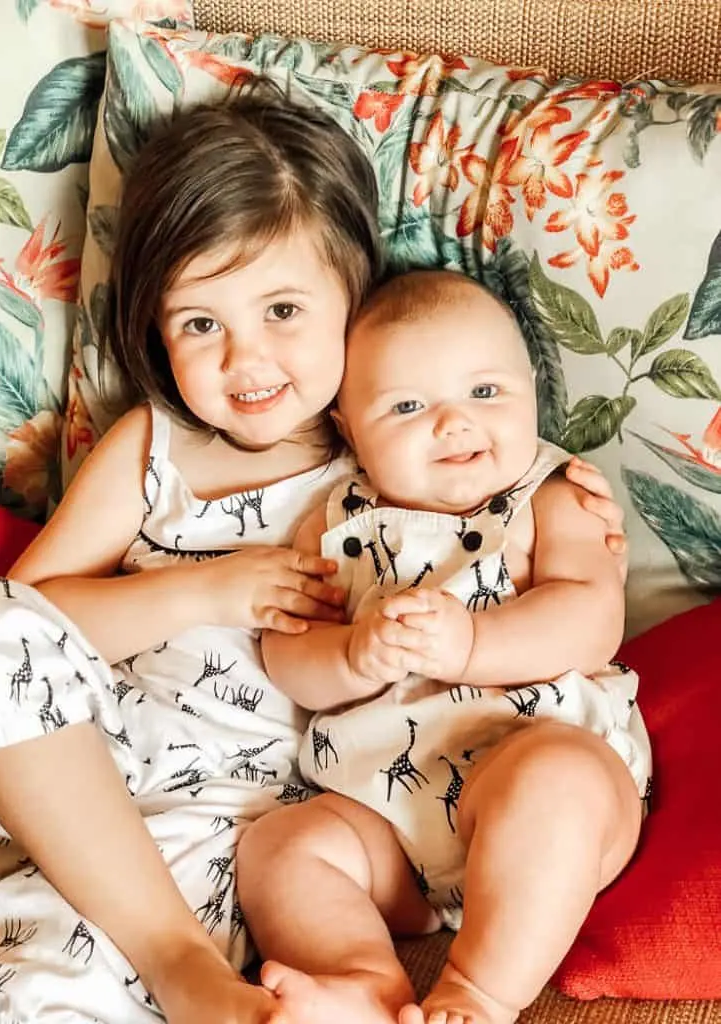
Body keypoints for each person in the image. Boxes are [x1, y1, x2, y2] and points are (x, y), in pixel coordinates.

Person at [0, 88, 626, 1024]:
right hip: (86, 783)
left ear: (353, 294)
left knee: (13, 987)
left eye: (282, 308)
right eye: (201, 323)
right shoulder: (154, 449)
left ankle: (252, 997)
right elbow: (25, 620)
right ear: (156, 330)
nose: (248, 361)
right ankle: (182, 971)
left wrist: (551, 491)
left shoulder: (397, 452)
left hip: (245, 827)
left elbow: (512, 502)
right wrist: (206, 591)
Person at [237, 269, 652, 1024]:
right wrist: (352, 655)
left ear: (531, 386)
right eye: (406, 406)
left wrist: (470, 643)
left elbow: (592, 616)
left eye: (485, 393)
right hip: (386, 811)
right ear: (348, 427)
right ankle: (363, 979)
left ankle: (477, 993)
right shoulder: (333, 522)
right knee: (280, 844)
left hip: (531, 767)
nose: (454, 424)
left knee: (556, 782)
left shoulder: (550, 495)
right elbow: (287, 654)